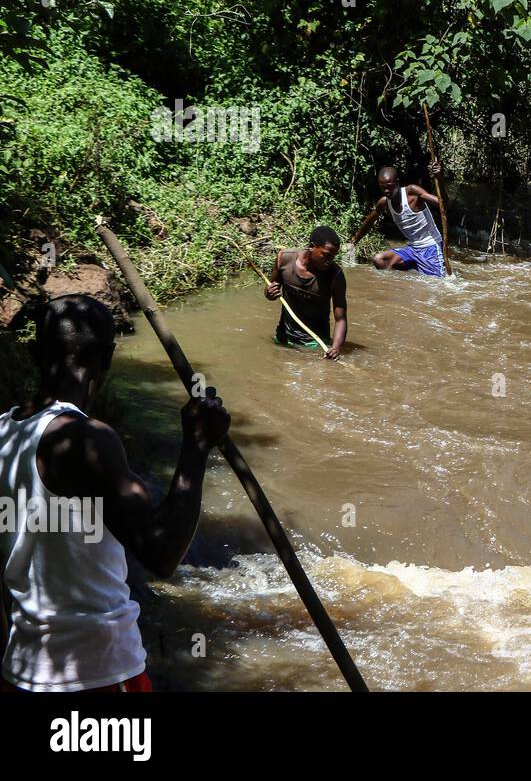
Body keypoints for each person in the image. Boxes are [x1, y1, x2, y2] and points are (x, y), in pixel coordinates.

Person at [0, 294, 229, 692]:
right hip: (97, 670)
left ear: (35, 353)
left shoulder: (5, 431)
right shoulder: (87, 439)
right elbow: (161, 555)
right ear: (108, 358)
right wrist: (196, 446)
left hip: (22, 667)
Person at [265, 226, 348, 359]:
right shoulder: (284, 259)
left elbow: (341, 319)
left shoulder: (335, 276)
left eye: (333, 256)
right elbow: (270, 291)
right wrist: (269, 293)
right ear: (311, 246)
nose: (330, 261)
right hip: (283, 339)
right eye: (326, 255)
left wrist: (336, 348)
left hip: (315, 344)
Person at [350, 166, 447, 277]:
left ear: (397, 183)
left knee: (437, 283)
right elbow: (369, 222)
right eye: (383, 188)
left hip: (431, 247)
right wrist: (354, 241)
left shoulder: (412, 192)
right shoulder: (384, 203)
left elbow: (443, 205)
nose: (386, 191)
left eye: (390, 187)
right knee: (379, 260)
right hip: (413, 249)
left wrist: (440, 180)